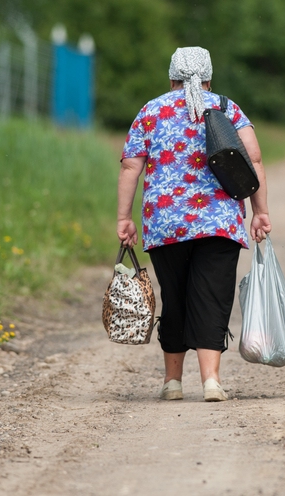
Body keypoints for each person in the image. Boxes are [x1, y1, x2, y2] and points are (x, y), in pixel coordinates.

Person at [116, 46, 271, 402]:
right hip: (218, 222)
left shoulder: (150, 111)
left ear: (171, 78)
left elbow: (130, 167)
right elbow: (254, 159)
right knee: (212, 297)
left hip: (166, 223)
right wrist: (259, 210)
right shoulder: (226, 108)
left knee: (176, 297)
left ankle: (172, 383)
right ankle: (211, 381)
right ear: (209, 78)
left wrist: (124, 218)